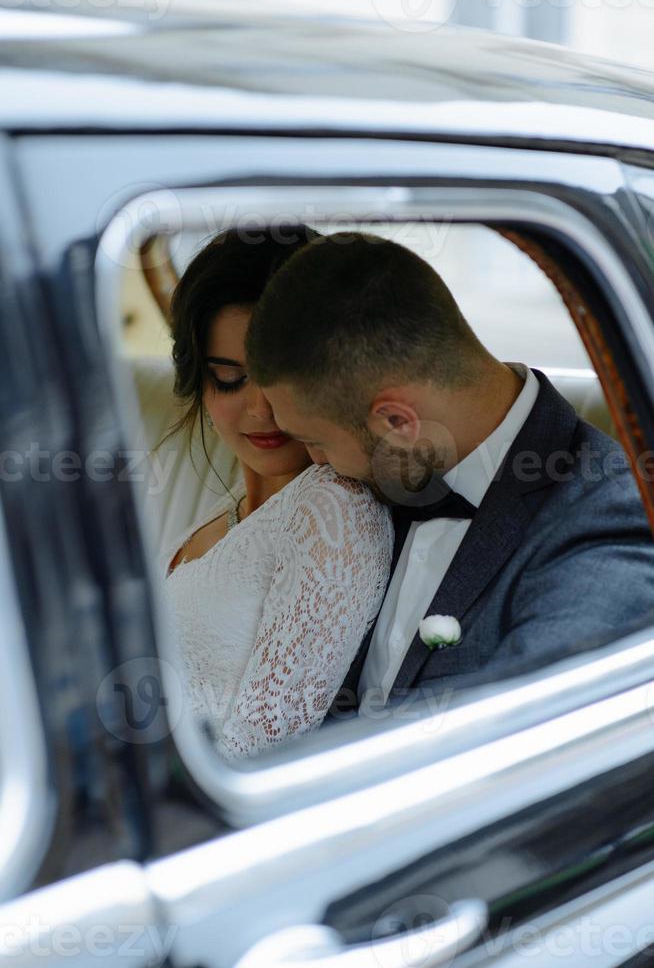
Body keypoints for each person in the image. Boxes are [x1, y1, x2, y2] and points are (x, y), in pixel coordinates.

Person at [245, 231, 654, 718]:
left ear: (396, 422)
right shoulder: (366, 494)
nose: (315, 461)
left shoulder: (606, 528)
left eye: (317, 441)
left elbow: (522, 755)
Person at [158, 228, 394, 758]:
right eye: (230, 379)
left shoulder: (335, 512)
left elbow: (267, 751)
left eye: (281, 379)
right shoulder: (229, 513)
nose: (263, 411)